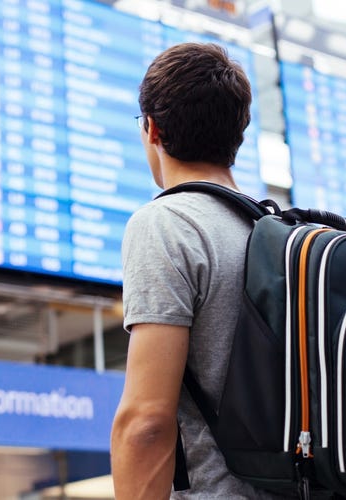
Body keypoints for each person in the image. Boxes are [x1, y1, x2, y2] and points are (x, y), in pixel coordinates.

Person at [111, 43, 285, 499]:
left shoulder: (167, 224)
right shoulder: (281, 233)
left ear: (151, 128)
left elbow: (146, 421)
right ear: (238, 135)